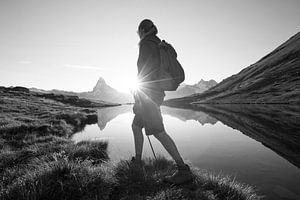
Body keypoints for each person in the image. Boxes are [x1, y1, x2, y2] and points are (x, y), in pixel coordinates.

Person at [131, 19, 194, 184]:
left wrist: (139, 92)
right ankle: (138, 161)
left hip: (149, 96)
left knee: (158, 131)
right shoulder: (158, 43)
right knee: (136, 125)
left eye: (138, 32)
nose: (138, 35)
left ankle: (183, 170)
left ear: (142, 30)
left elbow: (146, 71)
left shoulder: (146, 43)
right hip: (153, 93)